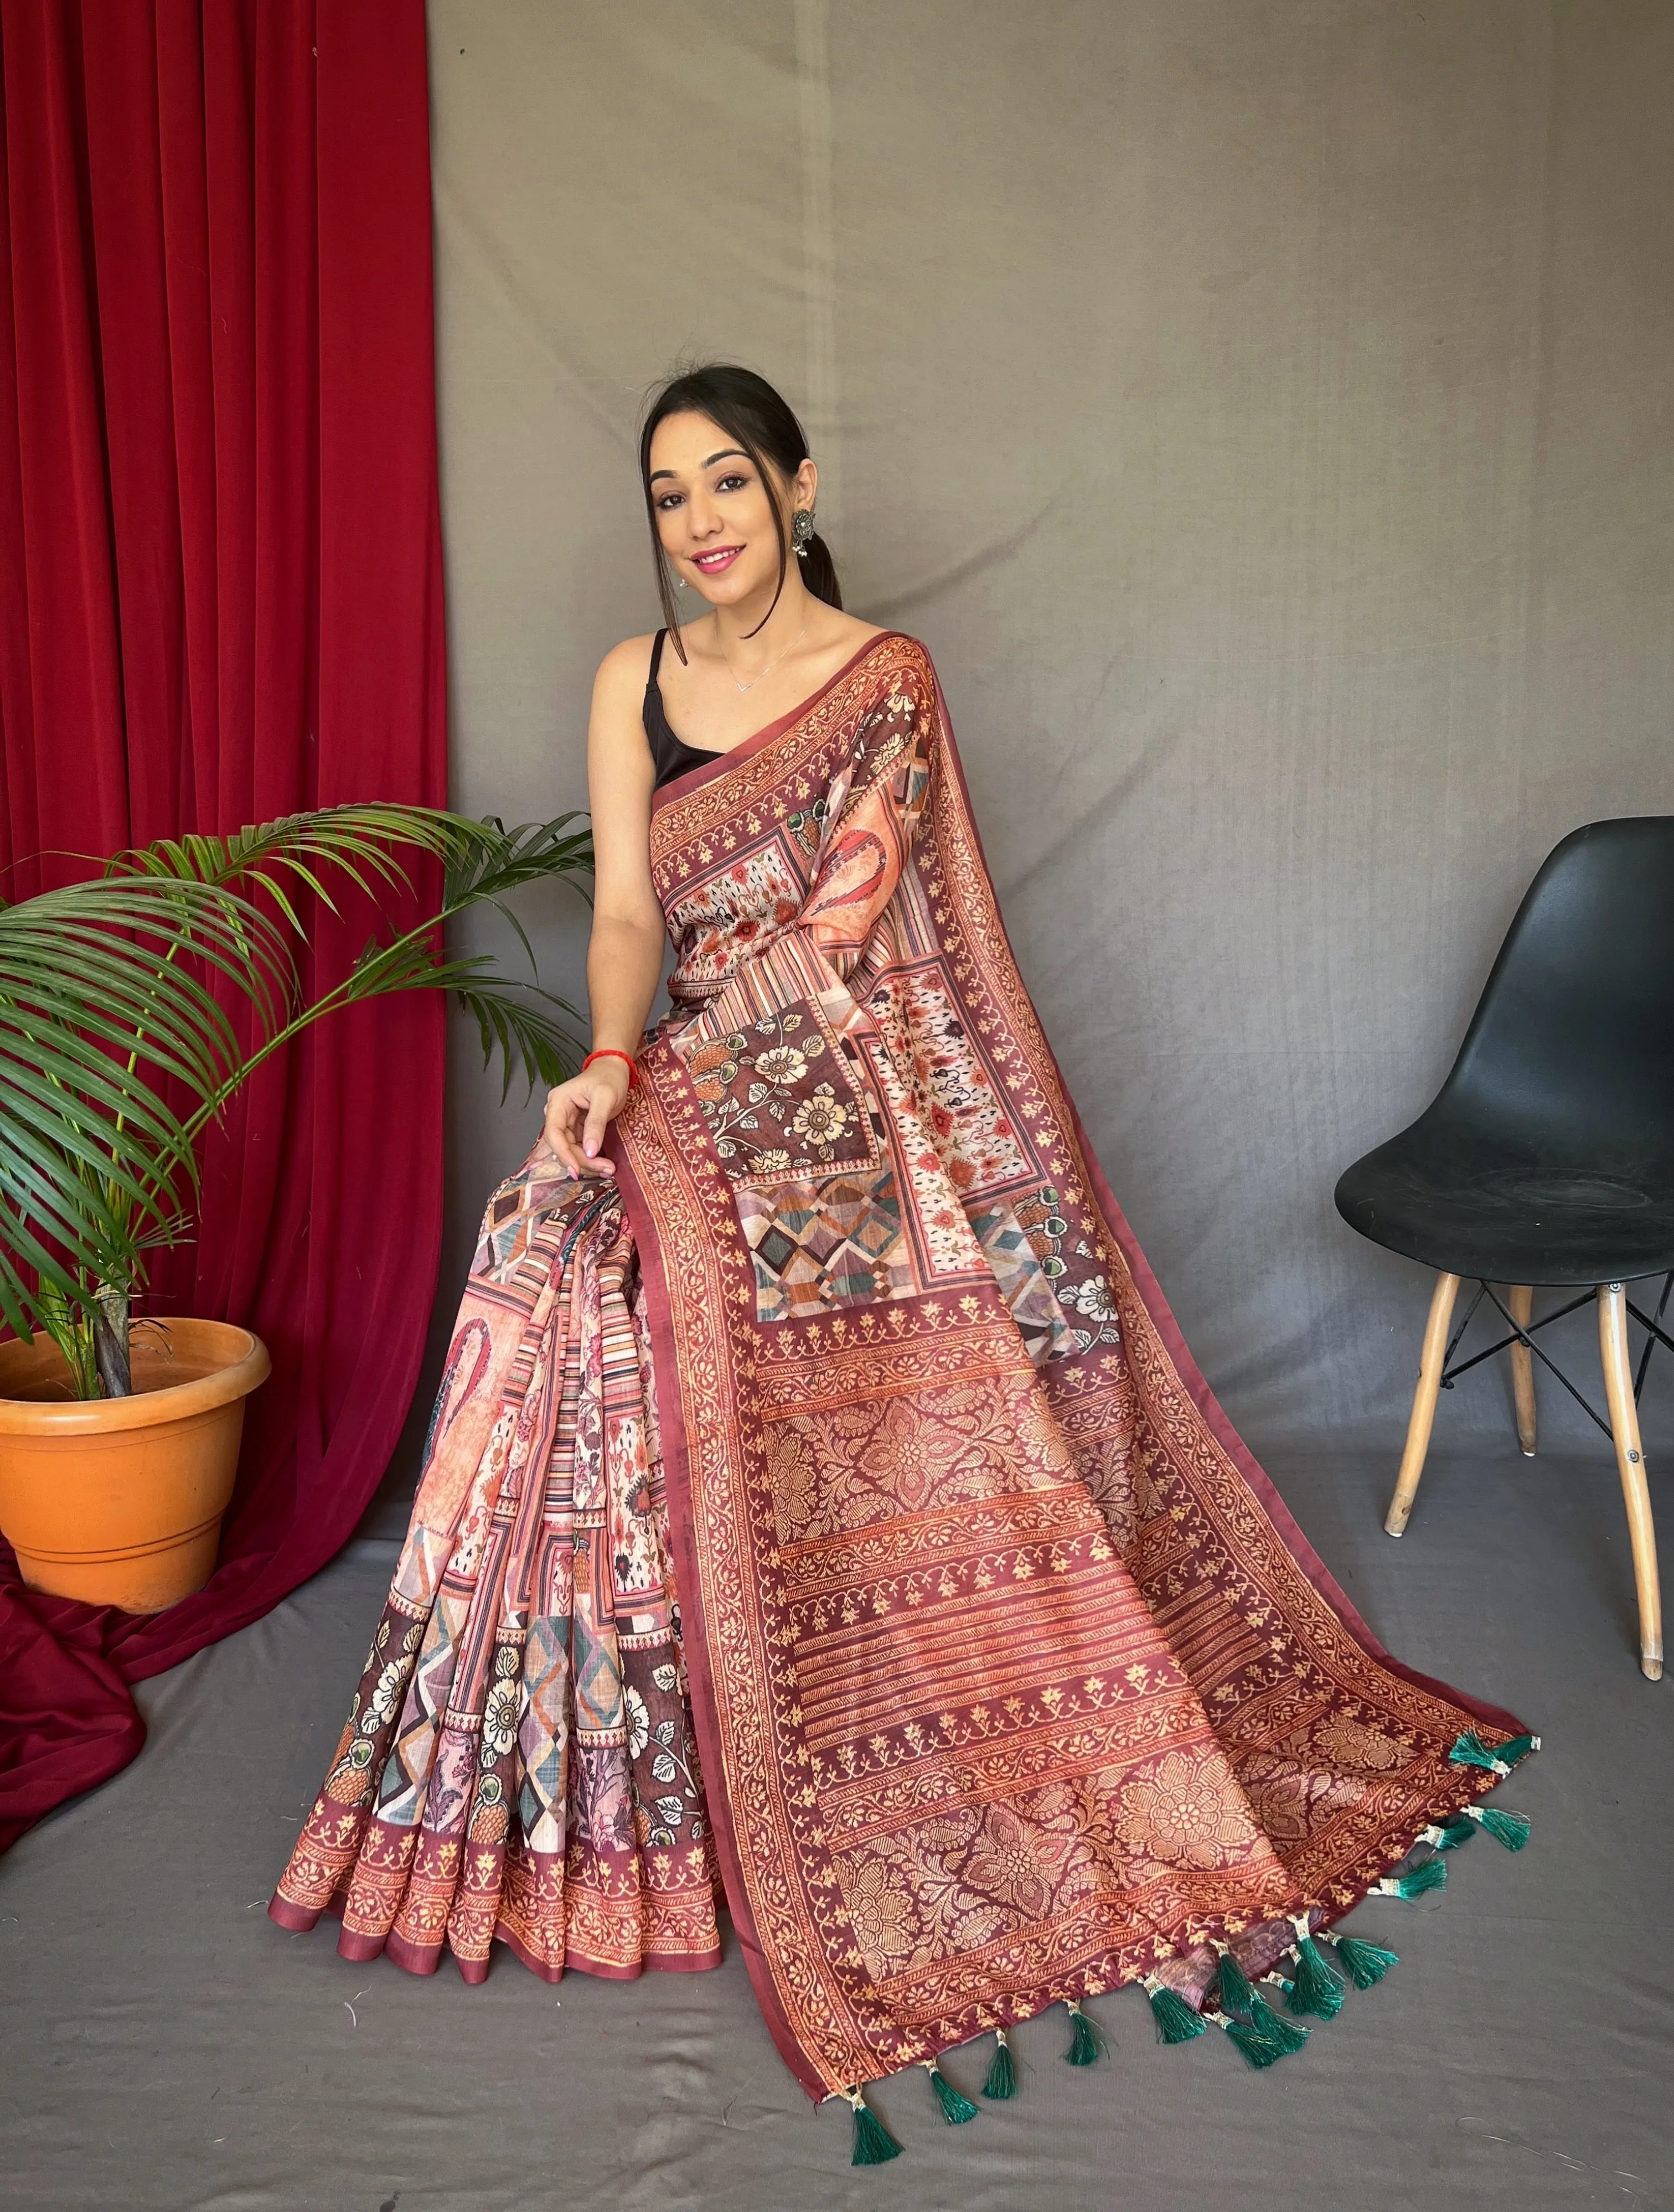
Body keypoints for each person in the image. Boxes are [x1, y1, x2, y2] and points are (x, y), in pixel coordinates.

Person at [271, 364, 1535, 2161]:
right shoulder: (632, 682)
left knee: (715, 1251)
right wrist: (615, 1063)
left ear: (797, 485)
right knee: (550, 1238)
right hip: (694, 1050)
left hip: (854, 1075)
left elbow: (851, 922)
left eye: (729, 479)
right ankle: (604, 1794)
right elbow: (630, 913)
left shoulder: (884, 684)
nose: (701, 519)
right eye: (668, 493)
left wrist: (706, 1082)